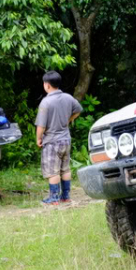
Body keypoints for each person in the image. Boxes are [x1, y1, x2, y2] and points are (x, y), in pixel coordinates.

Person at [35, 71, 82, 205]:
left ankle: (54, 198)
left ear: (47, 85)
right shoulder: (68, 97)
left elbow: (41, 126)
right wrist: (69, 120)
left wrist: (38, 138)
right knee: (65, 169)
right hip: (66, 139)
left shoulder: (46, 102)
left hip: (52, 141)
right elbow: (78, 110)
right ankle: (66, 196)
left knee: (53, 171)